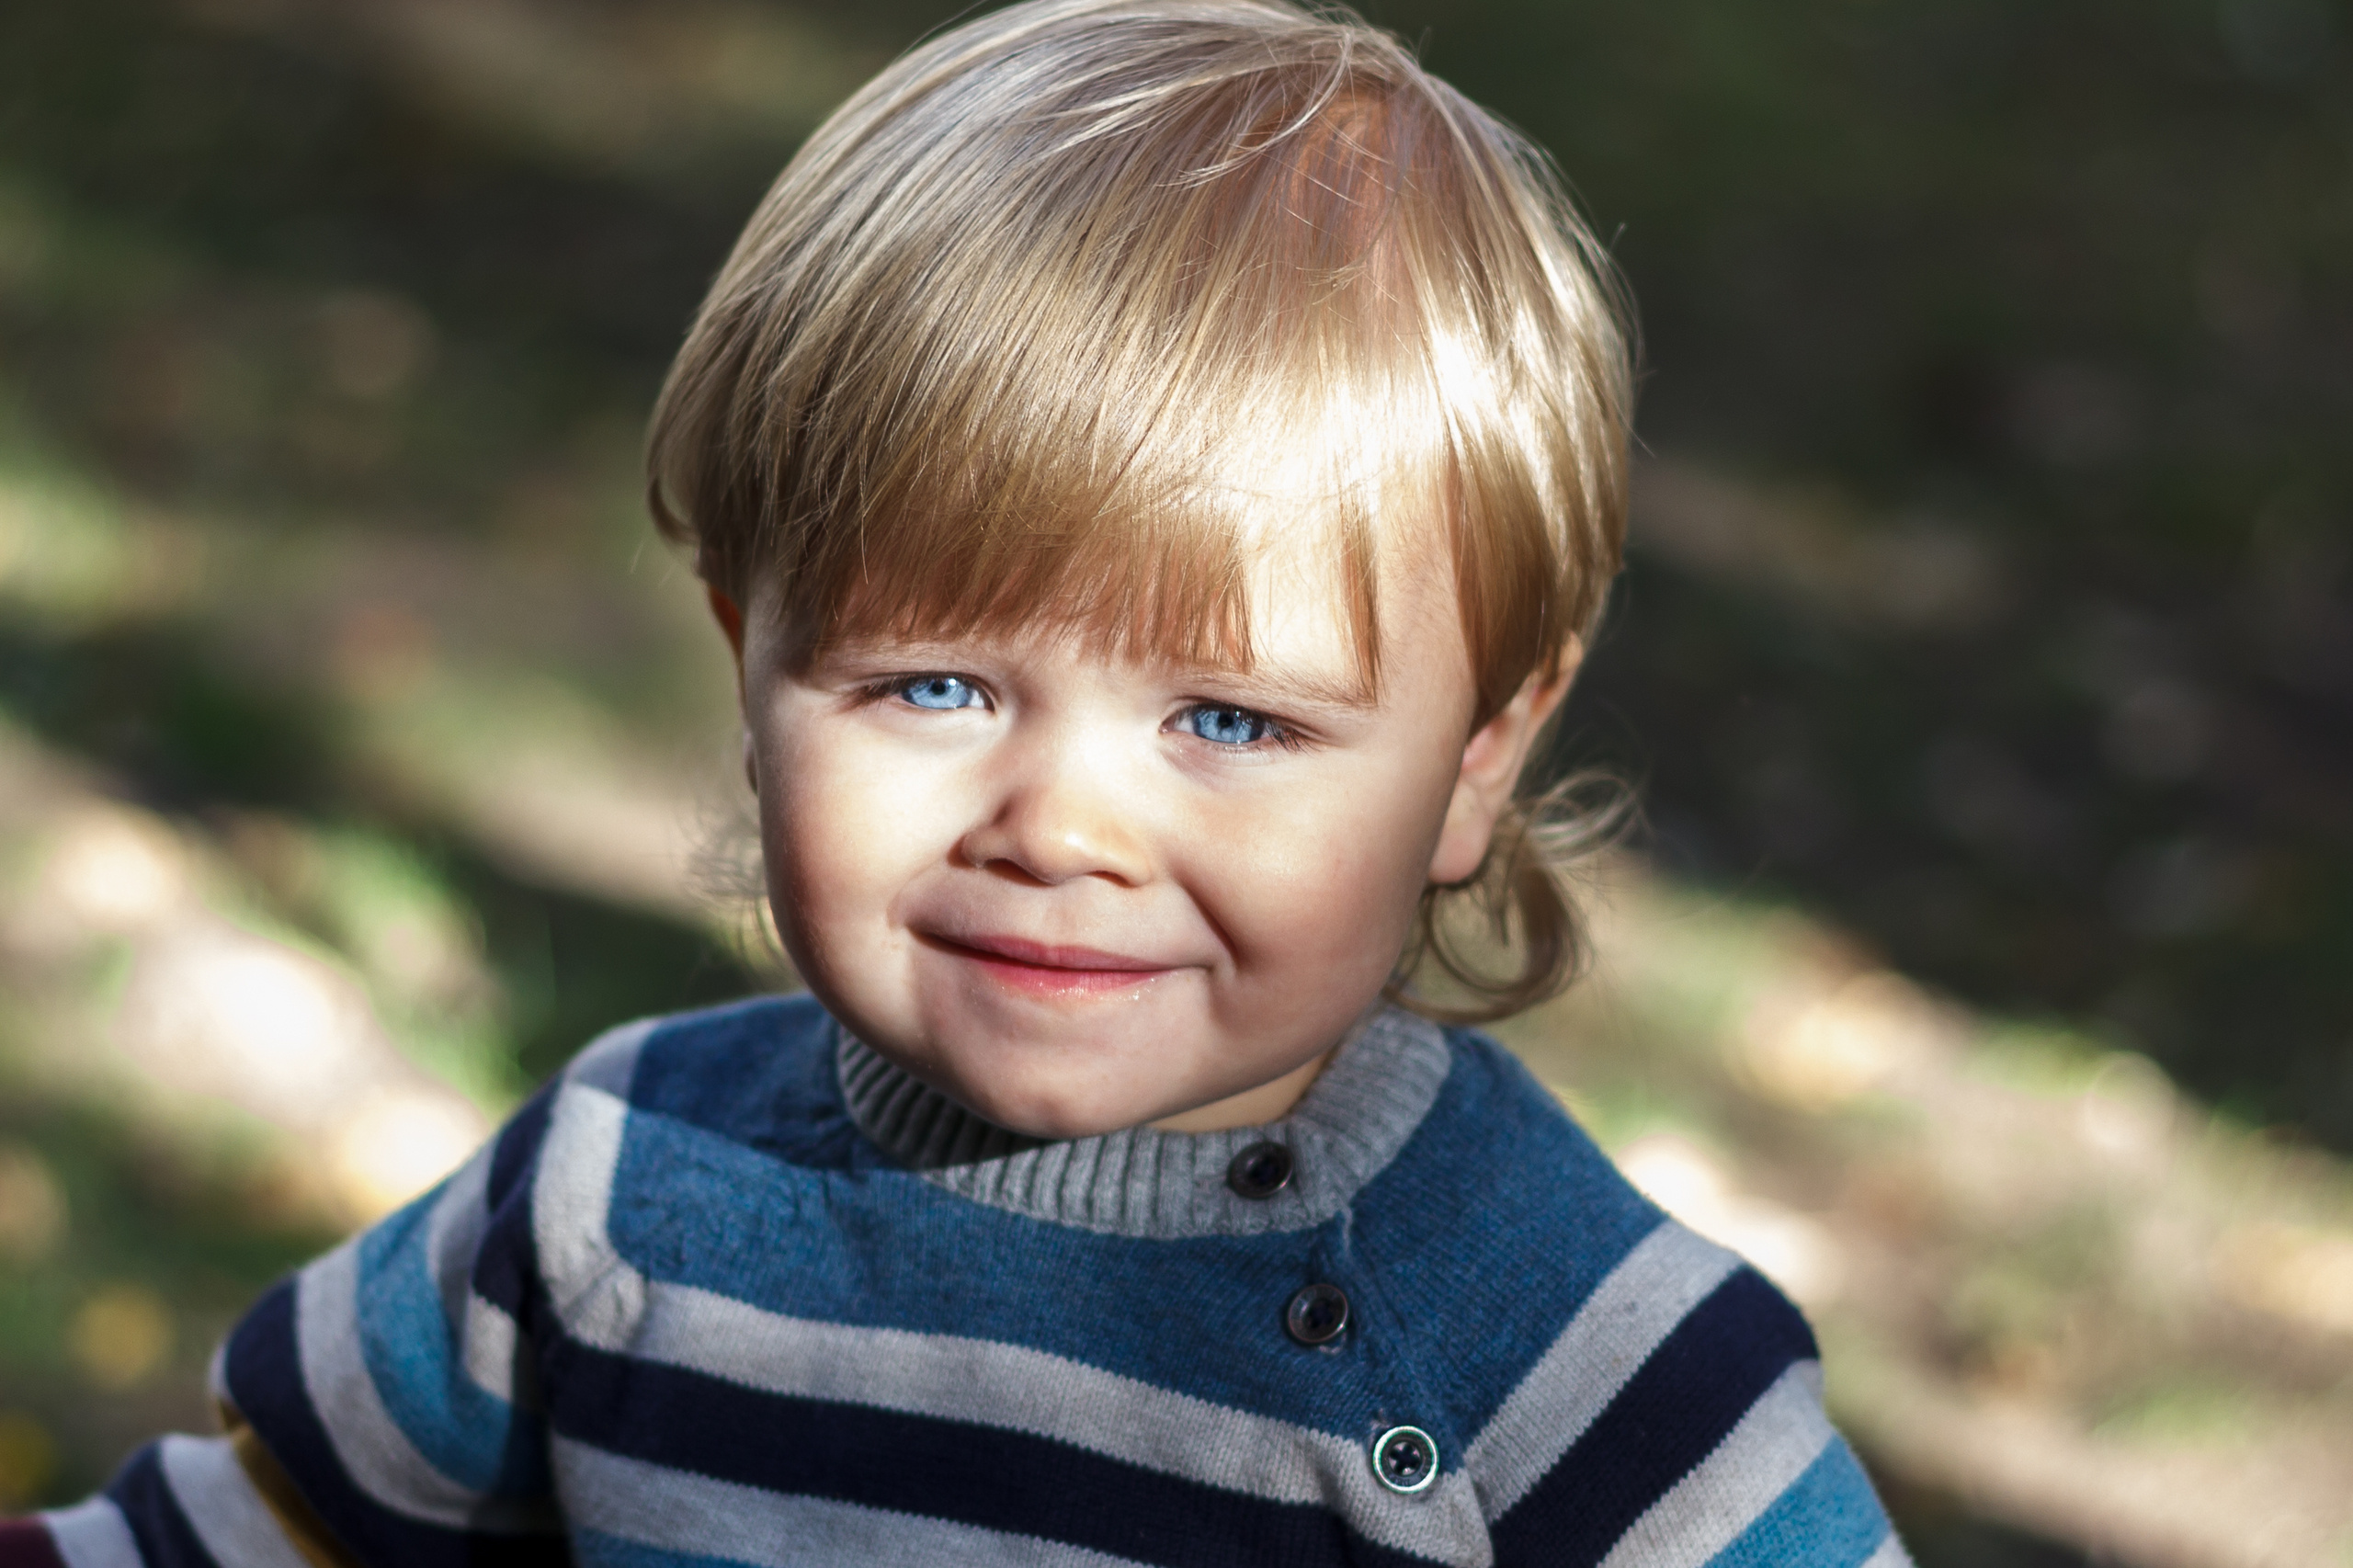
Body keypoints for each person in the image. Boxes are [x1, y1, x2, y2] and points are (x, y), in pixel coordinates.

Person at [5, 1, 1911, 1562]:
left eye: (1230, 722)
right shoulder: (620, 1191)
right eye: (932, 682)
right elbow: (258, 1532)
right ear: (747, 653)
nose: (1061, 829)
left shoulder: (1555, 1344)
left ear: (1476, 750)